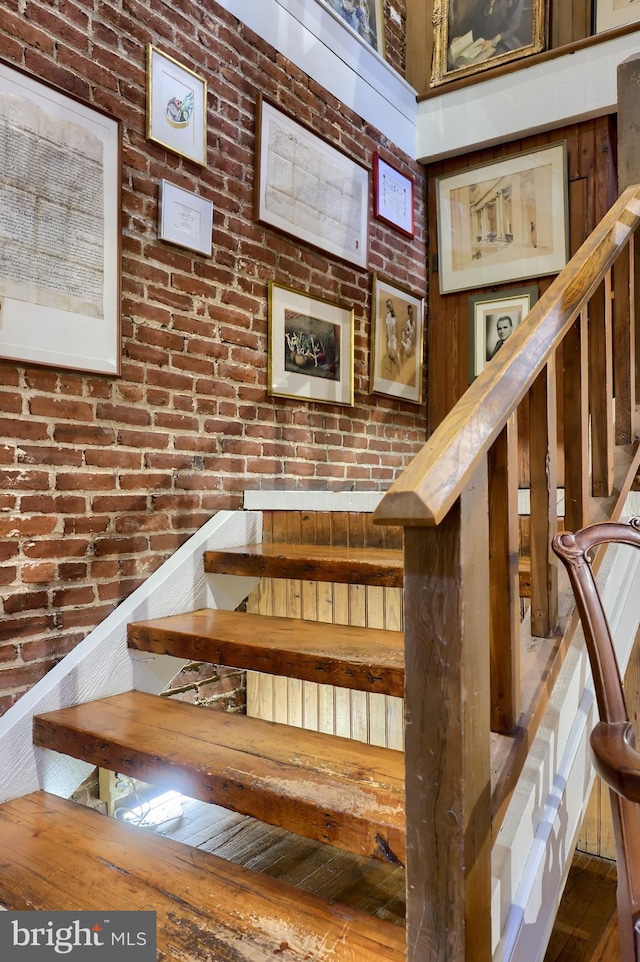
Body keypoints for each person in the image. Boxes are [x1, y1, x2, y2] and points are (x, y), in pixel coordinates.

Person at [449, 0, 527, 68]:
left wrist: (493, 42)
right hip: (481, 41)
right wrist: (461, 38)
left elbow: (513, 25)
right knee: (455, 63)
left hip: (503, 42)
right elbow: (475, 22)